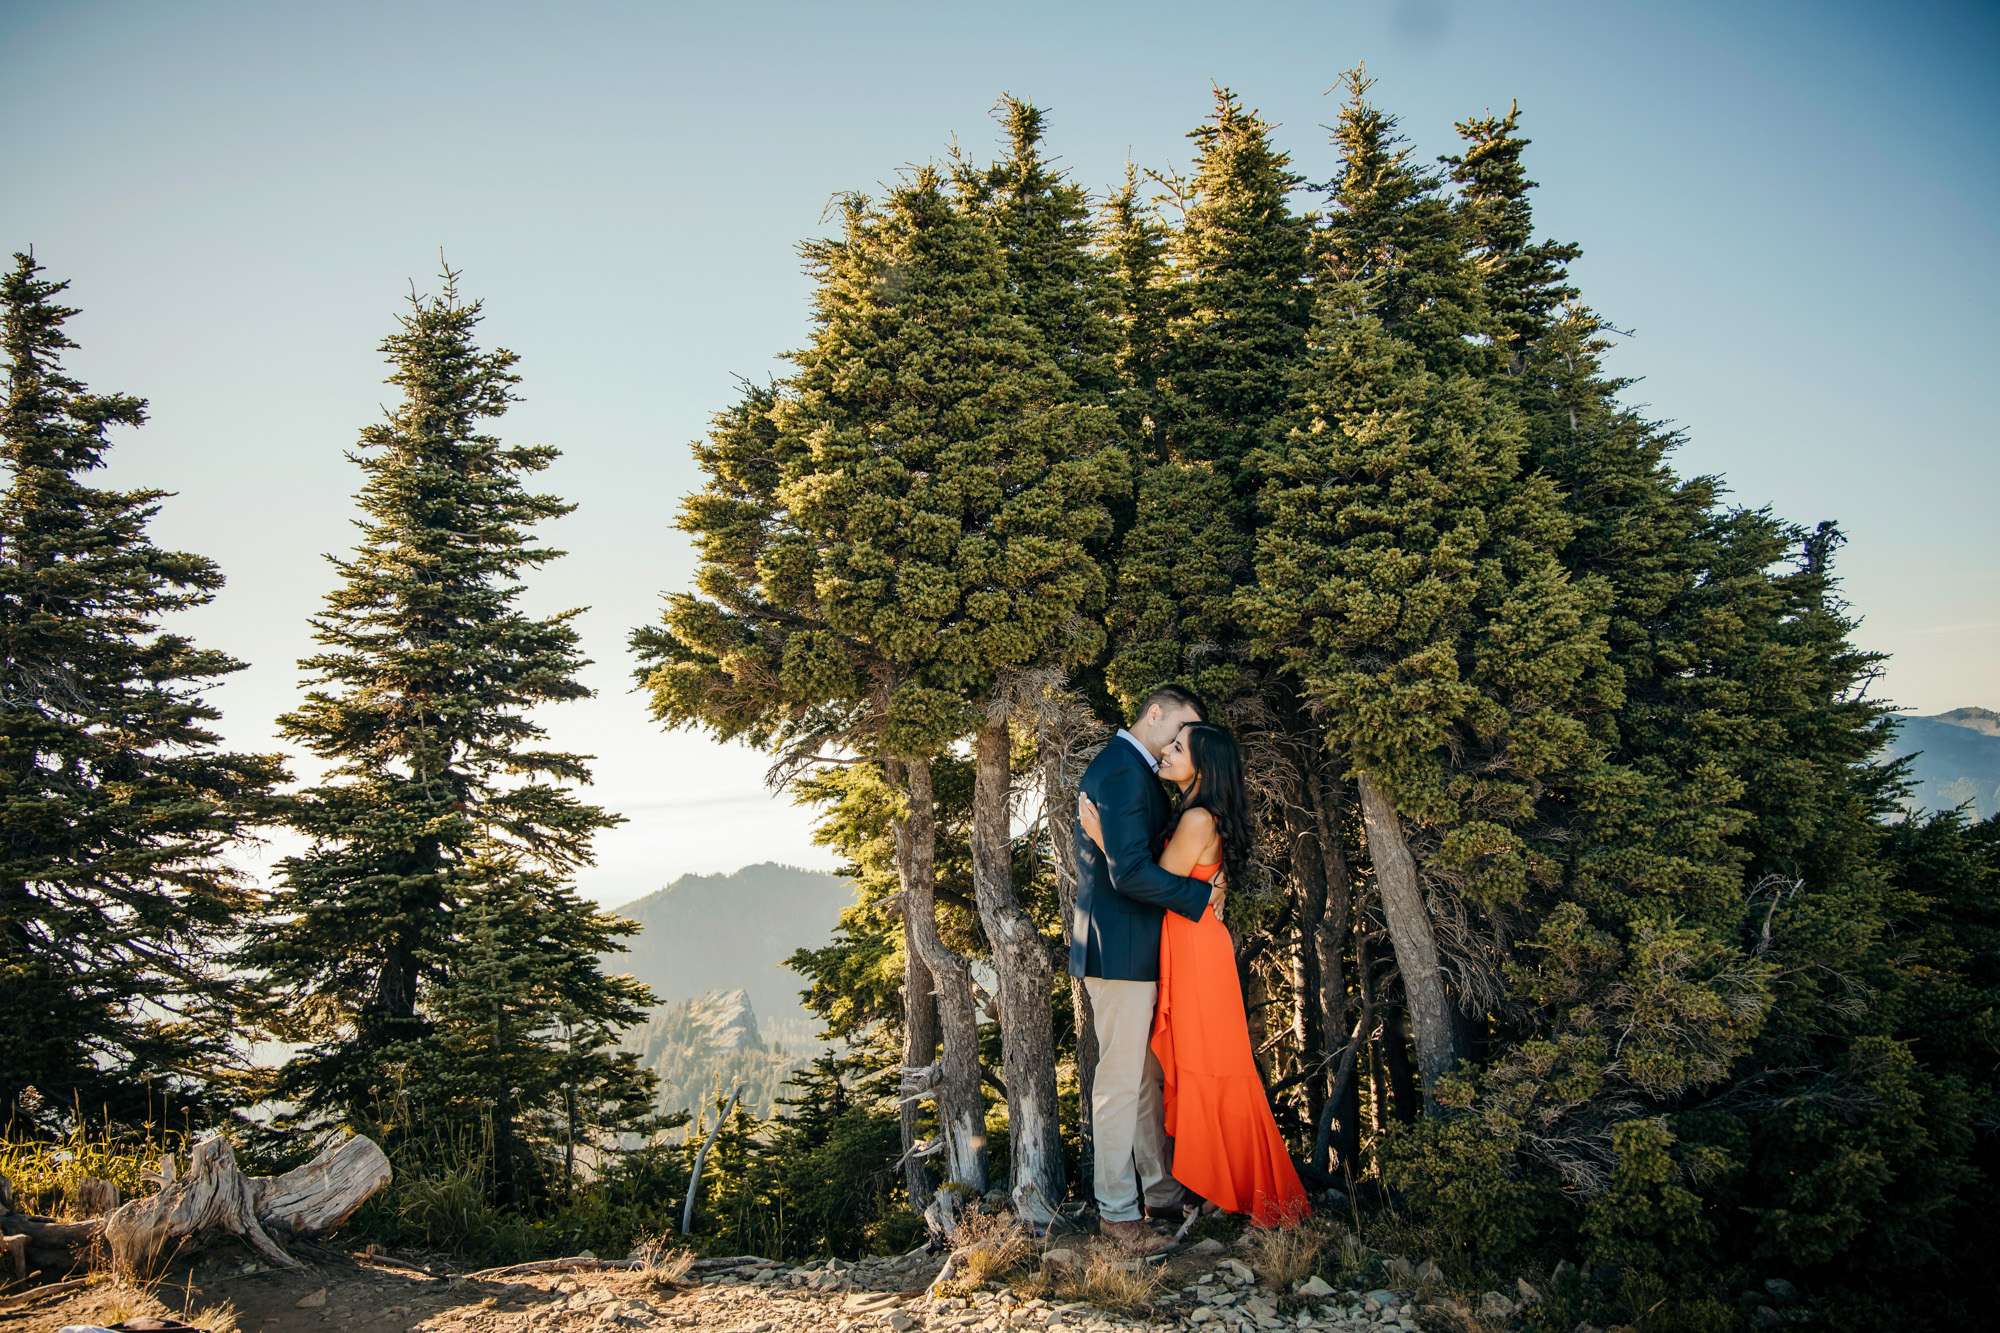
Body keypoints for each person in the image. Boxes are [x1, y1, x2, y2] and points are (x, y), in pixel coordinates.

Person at [1079, 721, 1310, 1232]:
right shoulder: (1194, 813)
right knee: (1200, 1068)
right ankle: (1223, 1187)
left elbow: (1150, 879)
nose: (1168, 751)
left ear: (1202, 768)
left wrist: (1104, 838)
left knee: (1213, 1069)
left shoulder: (1197, 819)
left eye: (1179, 748)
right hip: (1189, 944)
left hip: (1196, 952)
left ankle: (1256, 1192)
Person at [1069, 684, 1220, 1255]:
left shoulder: (1133, 769)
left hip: (1133, 947)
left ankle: (1159, 1192)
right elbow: (1130, 874)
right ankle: (1116, 1212)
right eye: (1179, 728)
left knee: (1143, 1080)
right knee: (1120, 1079)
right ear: (1153, 713)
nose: (1181, 741)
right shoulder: (1124, 772)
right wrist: (1197, 897)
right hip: (1120, 949)